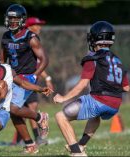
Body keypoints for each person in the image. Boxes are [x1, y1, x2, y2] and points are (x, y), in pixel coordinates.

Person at [53, 21, 130, 157]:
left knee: (61, 117)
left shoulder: (93, 58)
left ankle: (76, 153)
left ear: (95, 38)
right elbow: (126, 87)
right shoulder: (118, 60)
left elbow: (82, 84)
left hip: (99, 99)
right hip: (115, 104)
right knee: (95, 116)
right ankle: (81, 145)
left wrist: (63, 98)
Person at [1, 4, 51, 153]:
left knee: (13, 108)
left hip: (28, 76)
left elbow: (44, 59)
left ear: (22, 20)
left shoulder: (30, 37)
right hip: (13, 76)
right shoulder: (5, 36)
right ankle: (30, 144)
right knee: (12, 111)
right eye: (10, 18)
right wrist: (2, 77)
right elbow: (3, 60)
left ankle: (40, 117)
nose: (12, 22)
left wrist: (35, 75)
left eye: (15, 19)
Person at [12, 17, 54, 146]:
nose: (39, 27)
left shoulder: (33, 40)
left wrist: (46, 78)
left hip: (30, 80)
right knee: (18, 110)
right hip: (21, 80)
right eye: (37, 25)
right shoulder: (25, 41)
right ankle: (28, 138)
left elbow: (39, 63)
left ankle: (32, 138)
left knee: (30, 107)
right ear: (29, 26)